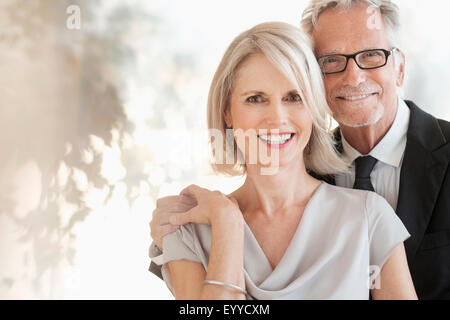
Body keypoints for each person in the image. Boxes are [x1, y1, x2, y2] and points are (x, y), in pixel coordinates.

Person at [150, 0, 450, 299]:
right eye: (255, 98)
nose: (353, 77)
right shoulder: (194, 224)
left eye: (293, 97)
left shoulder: (369, 215)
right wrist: (227, 225)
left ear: (400, 68)